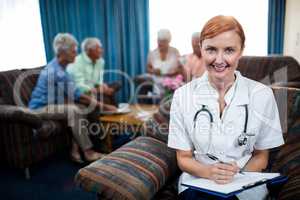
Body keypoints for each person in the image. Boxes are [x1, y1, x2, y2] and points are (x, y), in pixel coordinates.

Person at [168, 15, 284, 200]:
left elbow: (262, 156)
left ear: (241, 51)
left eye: (229, 50)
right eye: (211, 50)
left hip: (244, 182)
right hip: (198, 182)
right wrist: (208, 172)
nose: (219, 60)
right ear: (201, 49)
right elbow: (183, 158)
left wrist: (234, 174)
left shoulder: (262, 95)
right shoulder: (183, 96)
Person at [29, 33, 117, 163]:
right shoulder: (56, 71)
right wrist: (104, 106)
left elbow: (74, 95)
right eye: (73, 51)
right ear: (62, 52)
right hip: (39, 108)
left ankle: (75, 150)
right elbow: (79, 95)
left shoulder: (61, 68)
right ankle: (88, 152)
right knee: (75, 110)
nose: (76, 54)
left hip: (53, 105)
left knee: (82, 108)